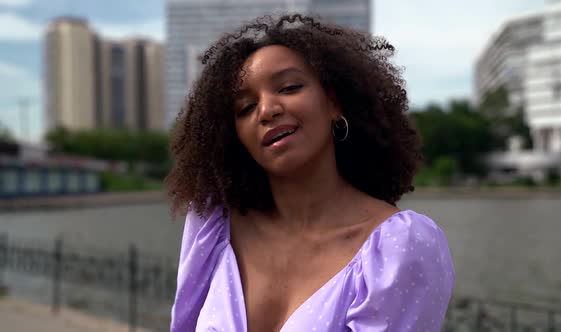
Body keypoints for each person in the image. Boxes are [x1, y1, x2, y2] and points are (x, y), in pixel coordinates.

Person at [166, 14, 454, 332]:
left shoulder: (399, 250)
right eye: (245, 108)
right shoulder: (214, 225)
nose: (267, 110)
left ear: (334, 103)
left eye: (289, 87)